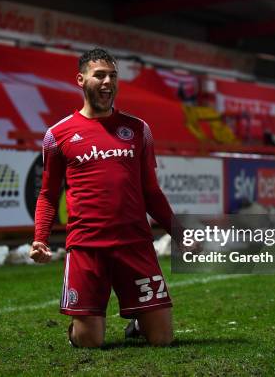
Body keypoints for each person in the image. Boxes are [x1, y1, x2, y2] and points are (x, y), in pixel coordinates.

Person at [30, 48, 176, 348]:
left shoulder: (138, 129)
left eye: (113, 75)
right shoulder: (57, 135)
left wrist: (180, 232)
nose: (108, 81)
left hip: (135, 243)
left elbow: (151, 191)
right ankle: (81, 327)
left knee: (162, 339)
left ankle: (139, 321)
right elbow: (47, 194)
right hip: (87, 246)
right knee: (89, 342)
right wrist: (40, 238)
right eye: (100, 75)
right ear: (81, 80)